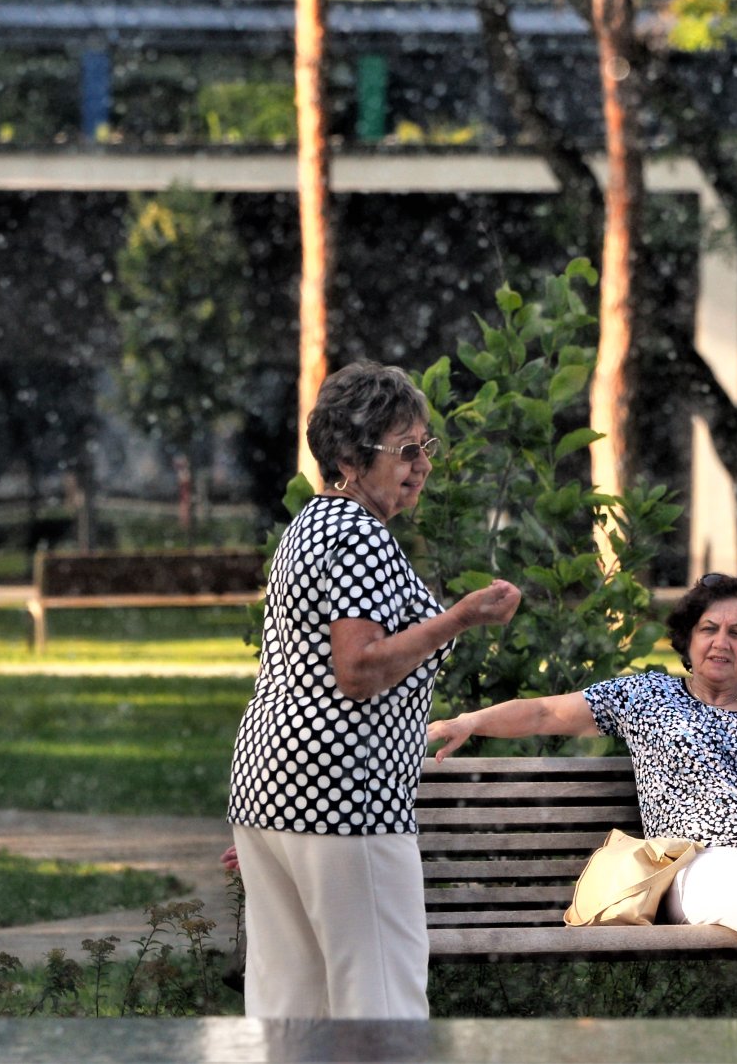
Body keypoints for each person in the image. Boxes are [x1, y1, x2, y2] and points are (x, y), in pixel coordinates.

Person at [226, 361, 522, 1019]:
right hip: (346, 798)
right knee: (382, 998)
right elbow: (357, 671)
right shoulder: (357, 533)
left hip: (275, 790)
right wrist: (460, 618)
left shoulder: (312, 524)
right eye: (405, 450)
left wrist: (282, 804)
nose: (422, 464)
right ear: (349, 458)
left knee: (288, 1003)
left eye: (426, 447)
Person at [427, 573, 737, 1019]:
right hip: (700, 865)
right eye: (708, 629)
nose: (720, 642)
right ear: (688, 639)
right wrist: (469, 723)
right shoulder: (647, 695)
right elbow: (545, 711)